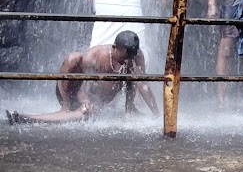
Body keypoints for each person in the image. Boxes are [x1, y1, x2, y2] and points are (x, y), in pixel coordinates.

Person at [6, 31, 158, 123]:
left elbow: (143, 85)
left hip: (101, 98)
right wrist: (86, 104)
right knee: (73, 59)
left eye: (131, 55)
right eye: (125, 56)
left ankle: (130, 108)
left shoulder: (136, 56)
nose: (128, 60)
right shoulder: (95, 56)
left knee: (134, 74)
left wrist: (157, 115)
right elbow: (83, 90)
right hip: (75, 93)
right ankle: (37, 116)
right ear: (114, 48)